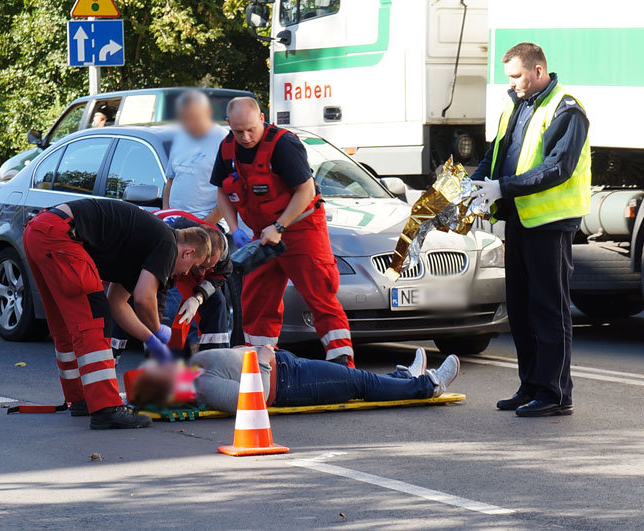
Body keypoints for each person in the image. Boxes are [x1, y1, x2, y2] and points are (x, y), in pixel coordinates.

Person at [469, 43, 590, 417]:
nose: (513, 83)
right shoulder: (515, 107)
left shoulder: (566, 109)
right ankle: (531, 385)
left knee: (549, 309)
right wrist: (472, 186)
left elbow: (558, 168)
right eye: (510, 77)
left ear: (539, 71)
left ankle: (555, 393)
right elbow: (496, 157)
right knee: (521, 309)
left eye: (518, 76)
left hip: (550, 224)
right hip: (521, 220)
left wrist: (502, 188)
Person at [23, 198, 211, 429]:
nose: (186, 274)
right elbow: (144, 298)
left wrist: (148, 339)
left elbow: (118, 303)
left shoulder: (145, 248)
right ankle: (106, 408)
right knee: (96, 321)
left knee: (66, 323)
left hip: (42, 230)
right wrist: (156, 330)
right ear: (188, 252)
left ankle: (81, 398)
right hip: (60, 236)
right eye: (193, 267)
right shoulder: (168, 244)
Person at [211, 97, 355, 367]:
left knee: (320, 294)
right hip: (262, 234)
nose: (244, 137)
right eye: (238, 130)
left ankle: (343, 364)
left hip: (302, 229)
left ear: (262, 118)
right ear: (229, 124)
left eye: (250, 129)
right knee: (256, 299)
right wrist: (234, 229)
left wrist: (279, 227)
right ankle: (260, 367)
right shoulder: (227, 147)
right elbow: (221, 189)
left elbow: (306, 191)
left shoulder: (284, 145)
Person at [129, 347, 460, 414]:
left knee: (357, 378)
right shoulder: (202, 385)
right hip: (289, 383)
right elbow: (250, 399)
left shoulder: (196, 369)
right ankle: (427, 385)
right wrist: (262, 361)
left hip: (287, 365)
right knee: (358, 382)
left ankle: (403, 377)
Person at [112, 209, 232, 358]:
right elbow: (154, 295)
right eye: (200, 267)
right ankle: (112, 356)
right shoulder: (169, 246)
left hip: (184, 256)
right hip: (150, 257)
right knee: (128, 302)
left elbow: (222, 275)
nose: (202, 274)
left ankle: (214, 364)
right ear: (191, 253)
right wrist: (154, 331)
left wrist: (198, 297)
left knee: (216, 302)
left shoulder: (219, 247)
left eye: (208, 268)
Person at [162, 90, 229, 225]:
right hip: (175, 223)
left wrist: (205, 225)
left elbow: (230, 191)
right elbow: (170, 181)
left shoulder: (223, 139)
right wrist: (166, 214)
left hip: (208, 224)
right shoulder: (181, 137)